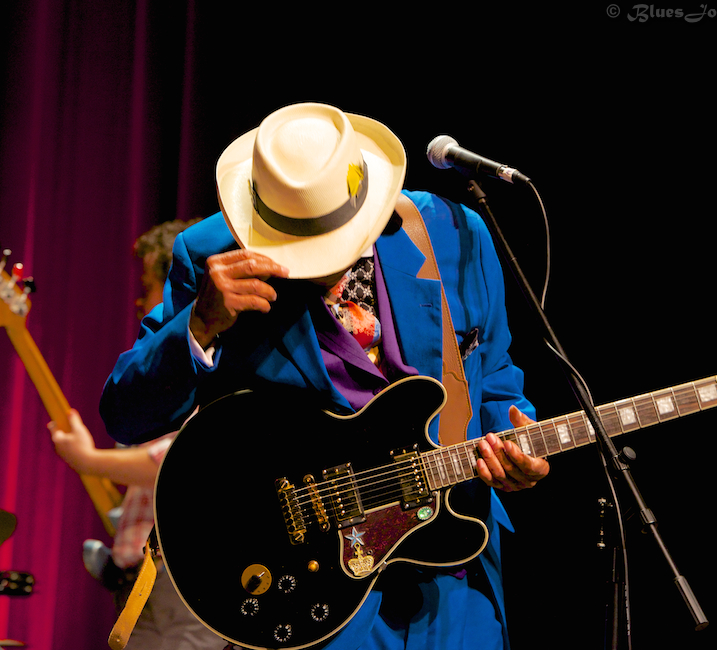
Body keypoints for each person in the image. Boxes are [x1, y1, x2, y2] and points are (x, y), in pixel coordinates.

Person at [99, 102, 550, 650]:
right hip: (312, 595)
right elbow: (124, 414)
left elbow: (495, 373)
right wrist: (201, 323)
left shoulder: (455, 233)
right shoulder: (211, 253)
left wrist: (513, 440)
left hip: (453, 579)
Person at [49, 220, 225, 649]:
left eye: (150, 286)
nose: (138, 301)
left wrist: (88, 460)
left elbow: (176, 461)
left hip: (180, 575)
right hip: (144, 576)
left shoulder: (206, 362)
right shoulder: (160, 373)